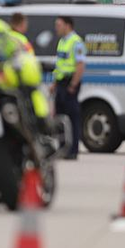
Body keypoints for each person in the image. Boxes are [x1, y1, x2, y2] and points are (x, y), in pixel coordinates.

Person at [52, 16, 86, 159]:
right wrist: (54, 84)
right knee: (60, 117)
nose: (56, 28)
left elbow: (80, 65)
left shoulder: (76, 42)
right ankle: (62, 148)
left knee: (72, 118)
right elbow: (60, 64)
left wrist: (73, 84)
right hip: (60, 83)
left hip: (69, 83)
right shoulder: (62, 41)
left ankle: (73, 150)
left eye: (59, 25)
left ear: (68, 25)